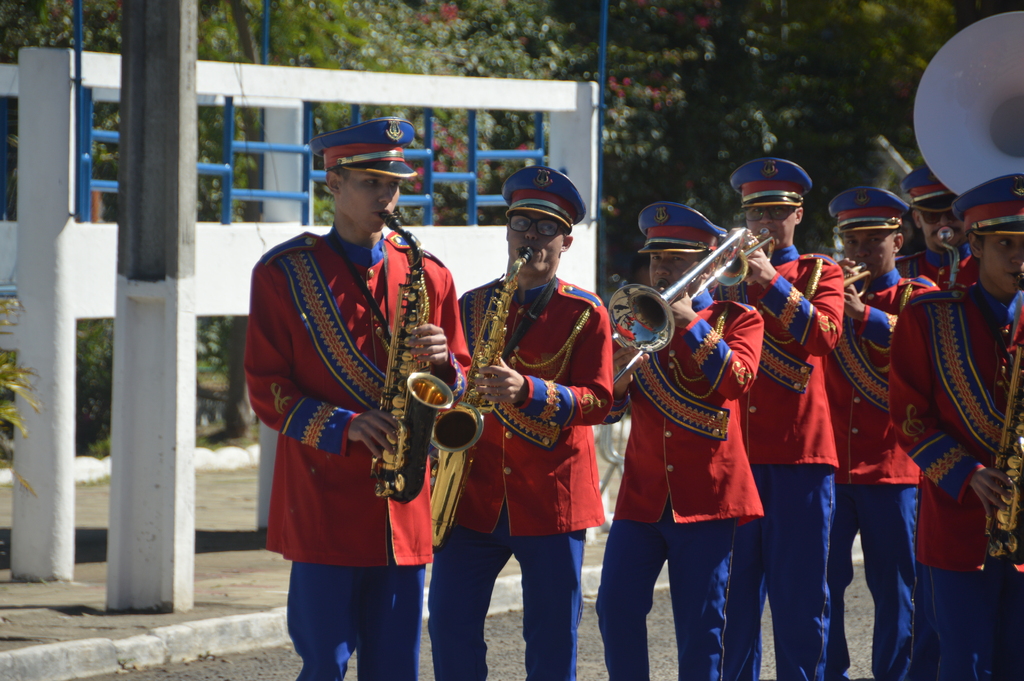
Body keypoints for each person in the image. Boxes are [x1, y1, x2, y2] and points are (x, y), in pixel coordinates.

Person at [243, 117, 470, 681]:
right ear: (333, 183)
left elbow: (459, 378)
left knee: (397, 667)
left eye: (394, 185)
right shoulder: (282, 274)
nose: (387, 197)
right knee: (324, 662)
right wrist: (345, 425)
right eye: (371, 183)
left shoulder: (431, 275)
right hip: (323, 499)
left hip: (404, 505)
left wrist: (445, 362)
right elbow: (266, 389)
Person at [427, 166, 614, 681]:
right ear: (507, 232)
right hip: (474, 497)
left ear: (566, 240)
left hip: (552, 502)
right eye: (520, 225)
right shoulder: (474, 304)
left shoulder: (587, 311)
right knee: (448, 623)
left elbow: (600, 401)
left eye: (544, 228)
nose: (530, 238)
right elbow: (452, 389)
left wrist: (528, 390)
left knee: (552, 640)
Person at [596, 203, 765, 681]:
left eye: (676, 259)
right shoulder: (638, 325)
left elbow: (736, 381)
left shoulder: (739, 318)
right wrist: (618, 368)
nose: (663, 269)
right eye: (657, 259)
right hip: (642, 500)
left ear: (706, 265)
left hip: (708, 502)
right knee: (615, 608)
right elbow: (608, 413)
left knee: (702, 630)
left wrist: (690, 322)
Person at [889, 174, 1024, 681]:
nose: (1019, 258)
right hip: (958, 521)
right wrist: (967, 473)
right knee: (963, 664)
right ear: (977, 246)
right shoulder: (928, 317)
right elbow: (909, 418)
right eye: (1006, 245)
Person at [717, 157, 845, 681]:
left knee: (799, 603)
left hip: (800, 459)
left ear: (797, 213)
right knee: (732, 607)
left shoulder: (821, 271)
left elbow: (824, 336)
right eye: (755, 213)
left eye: (775, 211)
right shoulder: (725, 279)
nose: (764, 223)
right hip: (735, 461)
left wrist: (769, 280)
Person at [822, 187, 936, 681]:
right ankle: (830, 673)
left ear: (898, 237)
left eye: (874, 239)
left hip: (893, 468)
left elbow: (922, 340)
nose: (862, 251)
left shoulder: (919, 293)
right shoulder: (826, 296)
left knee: (896, 590)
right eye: (853, 240)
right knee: (822, 585)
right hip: (832, 467)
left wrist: (860, 314)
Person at [897, 165, 979, 289]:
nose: (944, 222)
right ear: (917, 219)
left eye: (952, 212)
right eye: (931, 215)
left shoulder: (991, 268)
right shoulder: (900, 272)